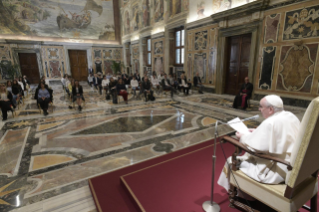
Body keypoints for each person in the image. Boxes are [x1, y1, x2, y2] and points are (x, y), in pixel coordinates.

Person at [217, 95, 300, 194]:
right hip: (293, 166)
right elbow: (279, 135)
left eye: (261, 106)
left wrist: (243, 137)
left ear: (270, 109)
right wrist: (257, 131)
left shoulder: (270, 122)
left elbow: (255, 149)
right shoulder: (290, 116)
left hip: (275, 171)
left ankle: (236, 193)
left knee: (231, 161)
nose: (259, 109)